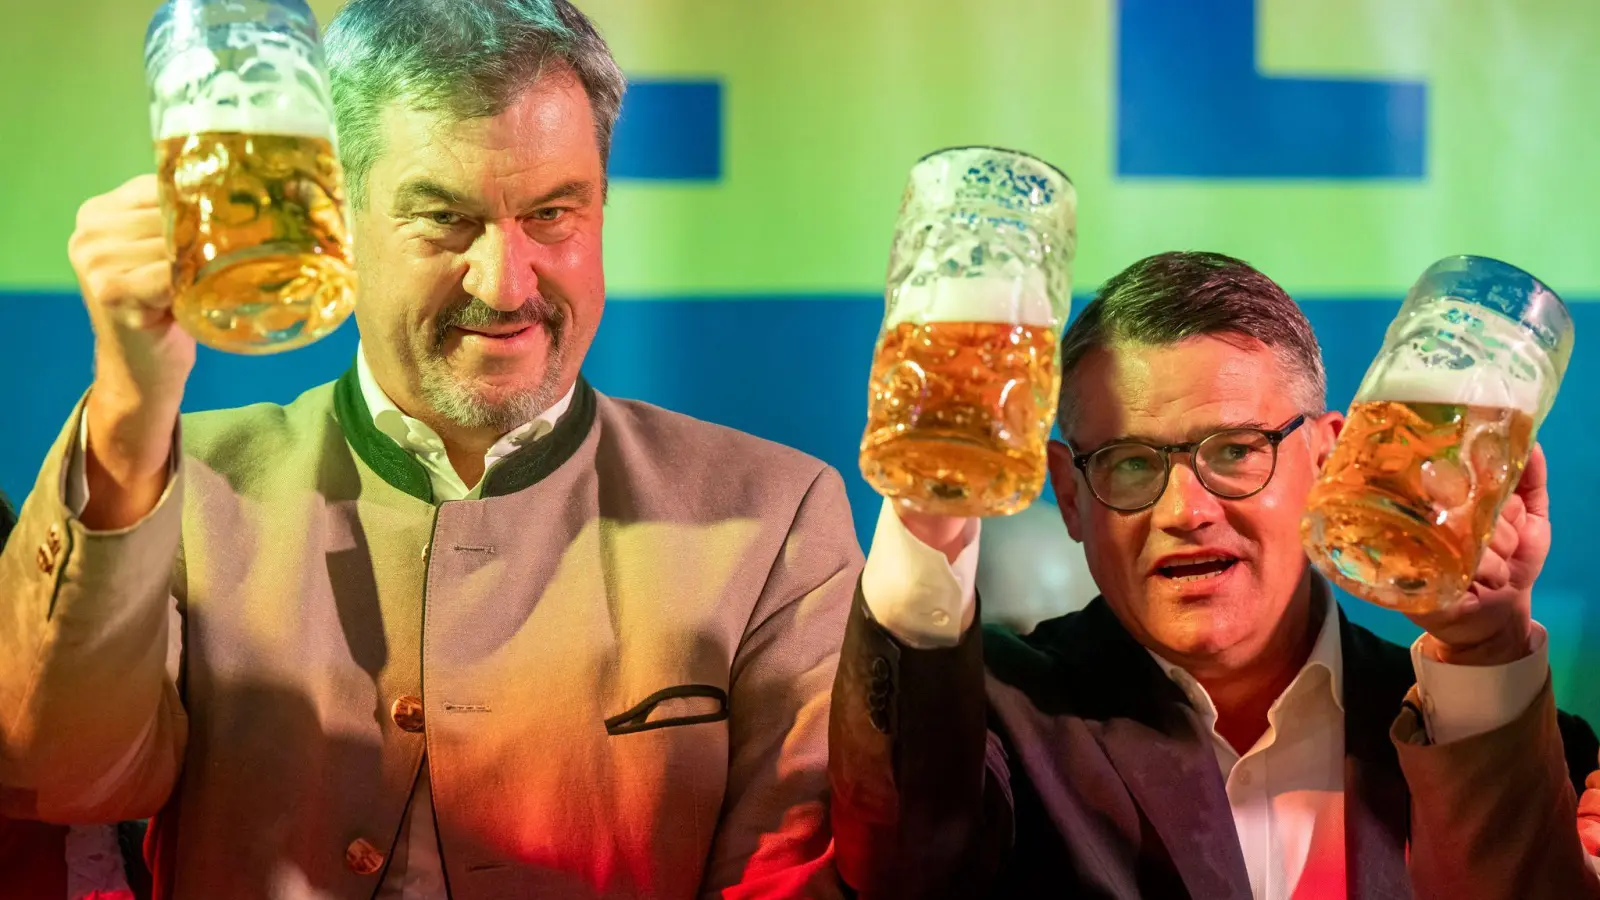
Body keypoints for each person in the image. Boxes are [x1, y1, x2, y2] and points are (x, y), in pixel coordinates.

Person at [0, 2, 860, 897]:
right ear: (337, 218)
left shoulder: (776, 517)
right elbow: (60, 777)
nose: (505, 283)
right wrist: (132, 400)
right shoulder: (178, 485)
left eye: (553, 215)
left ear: (602, 205)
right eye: (444, 220)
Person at [829, 251, 1600, 898]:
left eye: (1234, 450)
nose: (1186, 510)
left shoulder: (1517, 750)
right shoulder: (992, 718)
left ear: (1330, 458)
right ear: (1069, 495)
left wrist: (1482, 645)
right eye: (1131, 463)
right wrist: (930, 502)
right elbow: (903, 858)